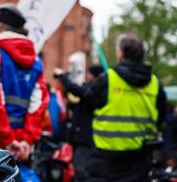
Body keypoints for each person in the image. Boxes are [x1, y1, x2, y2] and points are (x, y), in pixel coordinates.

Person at [58, 33, 166, 182]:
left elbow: (85, 99)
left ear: (120, 53)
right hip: (139, 163)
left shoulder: (108, 79)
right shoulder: (155, 84)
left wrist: (64, 79)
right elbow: (160, 119)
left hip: (106, 162)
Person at [0, 3, 48, 182]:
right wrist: (26, 141)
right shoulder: (35, 60)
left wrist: (6, 139)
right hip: (21, 144)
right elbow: (37, 106)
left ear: (0, 26)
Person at [54, 64, 104, 182]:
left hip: (84, 140)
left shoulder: (94, 90)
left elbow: (75, 89)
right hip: (85, 139)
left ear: (94, 76)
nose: (86, 76)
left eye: (89, 73)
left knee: (81, 171)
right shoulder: (94, 89)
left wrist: (62, 76)